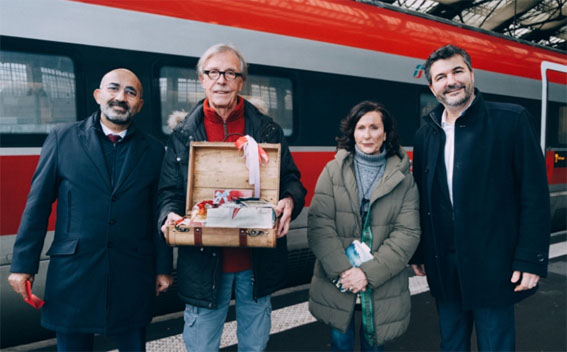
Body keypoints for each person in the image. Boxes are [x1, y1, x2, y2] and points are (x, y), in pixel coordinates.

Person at [8, 69, 173, 352]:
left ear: (140, 105)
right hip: (74, 274)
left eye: (131, 92)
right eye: (113, 88)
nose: (121, 97)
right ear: (98, 96)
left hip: (132, 273)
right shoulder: (63, 138)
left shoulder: (155, 151)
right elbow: (37, 205)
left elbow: (158, 212)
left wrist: (163, 268)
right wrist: (23, 265)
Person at [157, 43, 306, 352]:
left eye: (230, 73)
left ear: (241, 81)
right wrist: (168, 215)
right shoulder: (182, 136)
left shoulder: (267, 130)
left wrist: (290, 200)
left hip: (256, 263)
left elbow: (291, 179)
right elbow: (168, 192)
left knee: (254, 345)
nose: (221, 80)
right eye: (213, 72)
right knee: (202, 347)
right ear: (201, 79)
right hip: (204, 264)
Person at [410, 44, 551, 351]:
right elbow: (423, 198)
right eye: (441, 76)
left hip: (494, 265)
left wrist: (531, 258)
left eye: (457, 71)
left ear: (472, 74)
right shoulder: (426, 134)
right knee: (452, 344)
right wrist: (420, 252)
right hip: (445, 267)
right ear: (432, 87)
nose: (451, 81)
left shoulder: (511, 121)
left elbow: (534, 195)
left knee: (496, 344)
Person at [308, 101, 421, 351]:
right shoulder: (332, 171)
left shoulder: (404, 178)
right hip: (339, 278)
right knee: (340, 342)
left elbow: (407, 233)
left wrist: (366, 274)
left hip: (381, 280)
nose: (367, 135)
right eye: (361, 128)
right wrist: (344, 271)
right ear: (352, 132)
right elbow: (320, 224)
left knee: (374, 344)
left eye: (374, 127)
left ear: (385, 133)